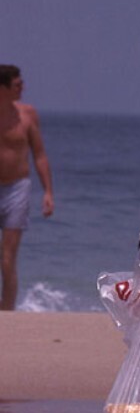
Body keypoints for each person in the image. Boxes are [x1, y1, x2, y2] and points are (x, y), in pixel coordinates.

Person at [0, 64, 54, 310]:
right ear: (3, 88)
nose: (23, 88)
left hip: (17, 189)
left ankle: (7, 311)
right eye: (17, 85)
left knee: (8, 256)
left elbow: (39, 155)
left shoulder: (28, 114)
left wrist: (48, 192)